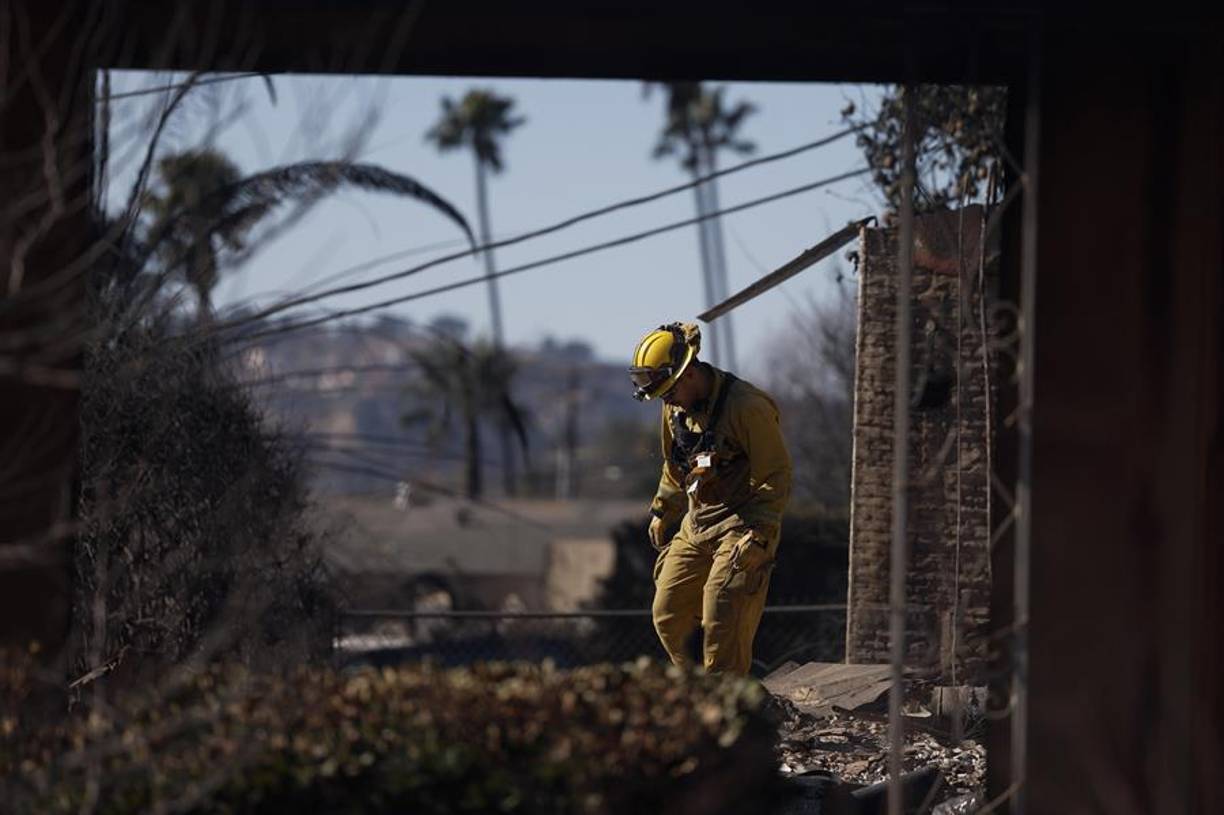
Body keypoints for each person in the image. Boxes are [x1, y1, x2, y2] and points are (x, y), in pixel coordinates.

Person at [629, 322, 792, 675]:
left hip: (744, 522)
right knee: (668, 613)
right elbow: (675, 466)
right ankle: (697, 692)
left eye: (669, 391)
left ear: (688, 374)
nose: (666, 401)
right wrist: (663, 508)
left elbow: (775, 474)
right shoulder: (674, 408)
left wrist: (760, 534)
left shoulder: (747, 407)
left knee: (723, 607)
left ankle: (727, 702)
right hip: (698, 522)